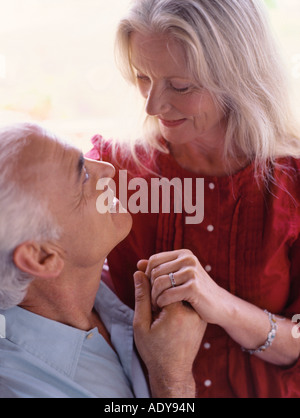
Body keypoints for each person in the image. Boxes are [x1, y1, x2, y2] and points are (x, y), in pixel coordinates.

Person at [86, 0, 300, 397]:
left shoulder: (292, 182)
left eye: (180, 86)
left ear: (239, 75)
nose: (152, 106)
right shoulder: (112, 169)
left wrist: (223, 305)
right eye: (142, 77)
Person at [0, 122, 206, 398]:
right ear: (41, 257)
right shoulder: (20, 388)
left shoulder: (105, 282)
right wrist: (172, 378)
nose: (107, 169)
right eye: (82, 174)